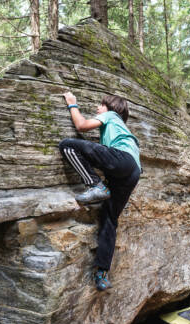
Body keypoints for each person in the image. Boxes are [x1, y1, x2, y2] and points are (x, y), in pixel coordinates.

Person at [59, 92, 141, 291]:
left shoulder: (112, 116)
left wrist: (72, 104)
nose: (98, 108)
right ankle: (102, 273)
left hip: (121, 160)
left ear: (110, 108)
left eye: (100, 105)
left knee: (67, 145)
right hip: (133, 172)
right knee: (109, 219)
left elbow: (82, 126)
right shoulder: (122, 130)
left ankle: (96, 186)